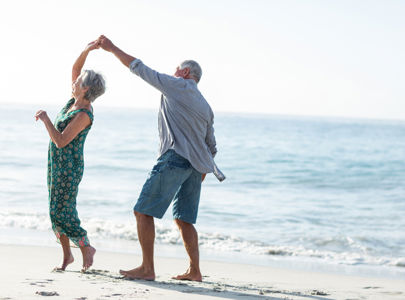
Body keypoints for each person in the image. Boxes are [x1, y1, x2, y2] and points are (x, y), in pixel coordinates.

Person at [97, 35, 225, 282]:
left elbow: (140, 69)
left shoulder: (178, 85)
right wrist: (202, 171)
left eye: (176, 69)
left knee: (142, 212)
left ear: (185, 72)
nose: (173, 72)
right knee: (184, 219)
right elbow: (212, 145)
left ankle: (147, 268)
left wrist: (112, 48)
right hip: (196, 167)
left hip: (175, 158)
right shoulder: (206, 106)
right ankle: (195, 271)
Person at [35, 40, 106, 272]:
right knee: (54, 209)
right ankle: (67, 256)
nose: (73, 82)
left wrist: (46, 119)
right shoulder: (73, 101)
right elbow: (75, 70)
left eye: (78, 82)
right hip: (56, 163)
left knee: (61, 210)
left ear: (85, 89)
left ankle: (86, 247)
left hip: (69, 166)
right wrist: (87, 50)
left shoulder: (84, 112)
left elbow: (62, 140)